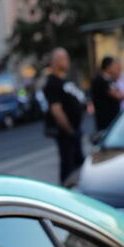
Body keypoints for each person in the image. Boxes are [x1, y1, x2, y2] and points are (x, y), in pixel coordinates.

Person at [42, 47, 87, 184]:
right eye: (62, 59)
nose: (66, 61)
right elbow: (57, 110)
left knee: (78, 163)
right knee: (68, 164)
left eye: (66, 58)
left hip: (75, 130)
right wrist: (69, 130)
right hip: (66, 133)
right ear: (54, 62)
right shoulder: (52, 83)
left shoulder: (65, 81)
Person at [90, 56, 124, 132]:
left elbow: (121, 94)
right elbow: (118, 96)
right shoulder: (101, 80)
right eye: (114, 66)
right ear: (108, 67)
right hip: (105, 121)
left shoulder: (110, 80)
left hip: (112, 120)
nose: (116, 68)